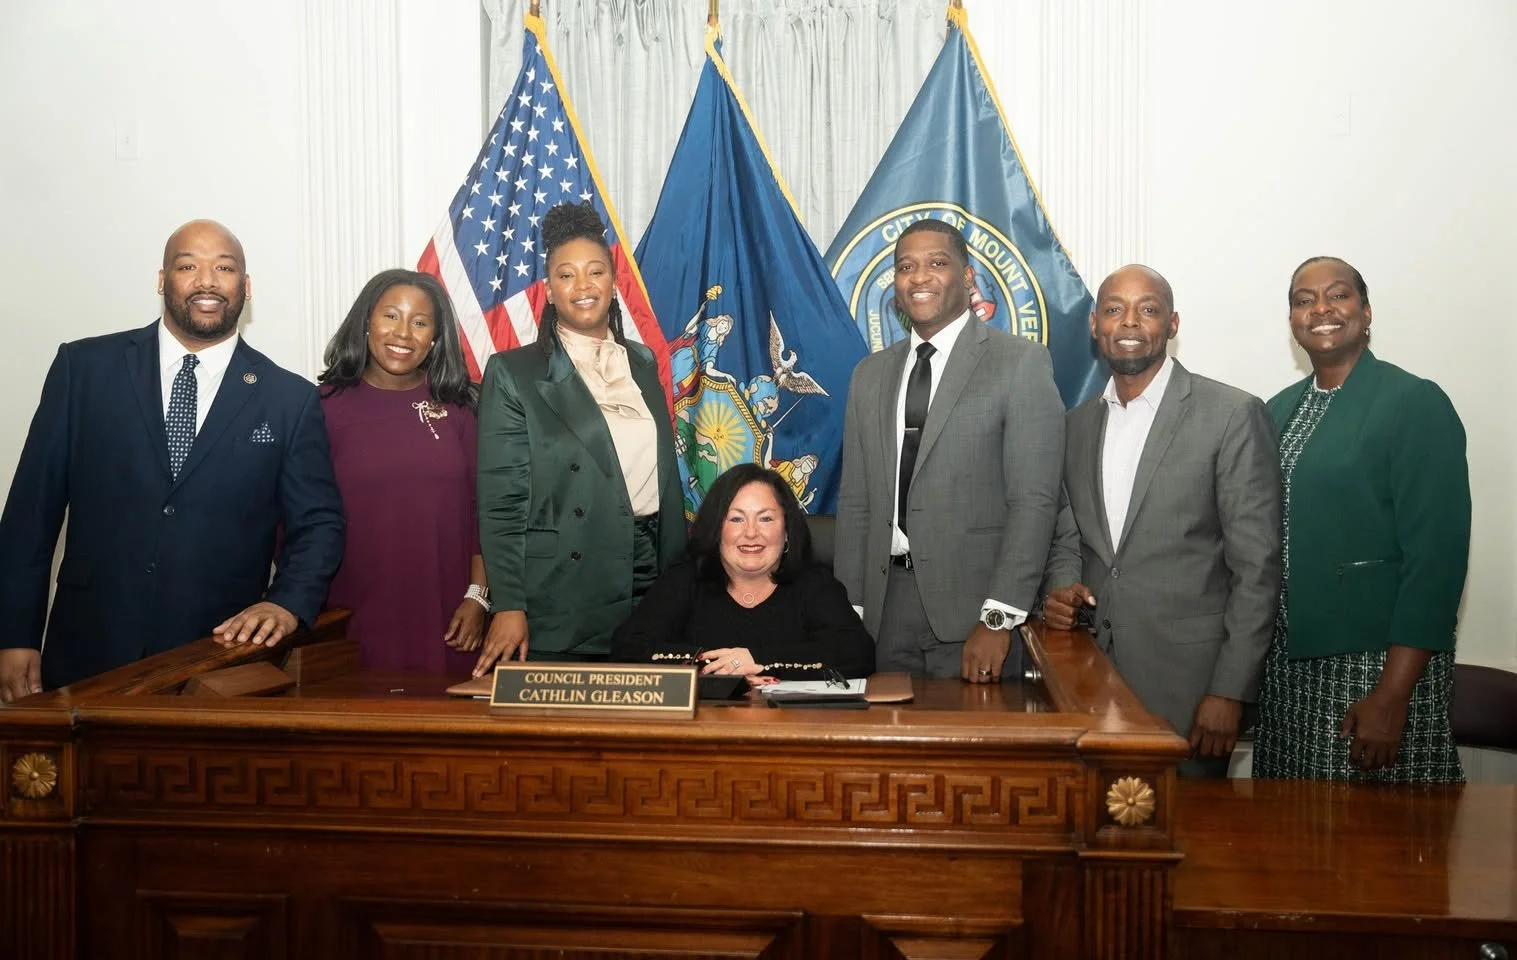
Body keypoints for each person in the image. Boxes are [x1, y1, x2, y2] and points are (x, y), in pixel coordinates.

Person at [0, 220, 345, 700]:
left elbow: (319, 523)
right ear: (162, 280)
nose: (207, 281)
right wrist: (14, 635)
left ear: (245, 288)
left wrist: (287, 603)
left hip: (218, 655)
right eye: (188, 266)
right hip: (87, 648)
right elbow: (29, 515)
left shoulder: (289, 399)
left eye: (224, 268)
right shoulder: (84, 369)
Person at [1042, 265, 1282, 777]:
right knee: (1092, 839)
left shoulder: (1231, 414)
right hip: (1087, 679)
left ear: (1172, 325)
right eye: (1113, 309)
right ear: (1093, 325)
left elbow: (1257, 569)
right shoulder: (1075, 425)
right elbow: (1068, 536)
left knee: (1193, 842)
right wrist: (1062, 589)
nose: (1129, 321)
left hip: (1189, 691)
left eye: (1147, 309)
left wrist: (1228, 690)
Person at [1252, 257, 1470, 783]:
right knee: (1293, 842)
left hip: (1375, 668)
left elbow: (1436, 562)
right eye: (1304, 300)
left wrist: (1394, 694)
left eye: (1338, 295)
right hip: (1287, 672)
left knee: (1376, 850)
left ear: (1366, 311)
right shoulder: (1278, 409)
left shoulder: (1412, 402)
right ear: (1291, 321)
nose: (1321, 309)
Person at [834, 218, 1065, 682]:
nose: (919, 277)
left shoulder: (1020, 363)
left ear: (967, 277)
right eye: (905, 267)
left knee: (972, 754)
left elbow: (1034, 504)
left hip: (974, 616)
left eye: (936, 263)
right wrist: (849, 611)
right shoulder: (870, 375)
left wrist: (998, 618)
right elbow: (857, 502)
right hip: (884, 612)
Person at [472, 202, 686, 674]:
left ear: (614, 284)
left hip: (655, 569)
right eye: (566, 276)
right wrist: (508, 602)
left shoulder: (644, 363)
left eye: (595, 272)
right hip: (567, 582)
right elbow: (500, 504)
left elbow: (663, 477)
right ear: (548, 291)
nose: (583, 286)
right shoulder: (513, 373)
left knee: (652, 726)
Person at [317, 269, 487, 673]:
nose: (403, 333)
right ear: (366, 322)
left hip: (450, 612)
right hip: (349, 613)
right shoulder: (321, 407)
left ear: (435, 338)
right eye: (391, 316)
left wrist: (478, 596)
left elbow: (486, 511)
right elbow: (299, 523)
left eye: (420, 322)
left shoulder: (462, 408)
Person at [612, 464, 875, 681]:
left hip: (792, 732)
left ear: (786, 532)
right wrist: (724, 670)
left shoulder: (814, 584)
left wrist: (758, 661)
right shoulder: (686, 579)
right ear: (717, 529)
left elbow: (857, 654)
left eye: (765, 519)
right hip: (704, 732)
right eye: (736, 519)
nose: (751, 533)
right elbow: (628, 648)